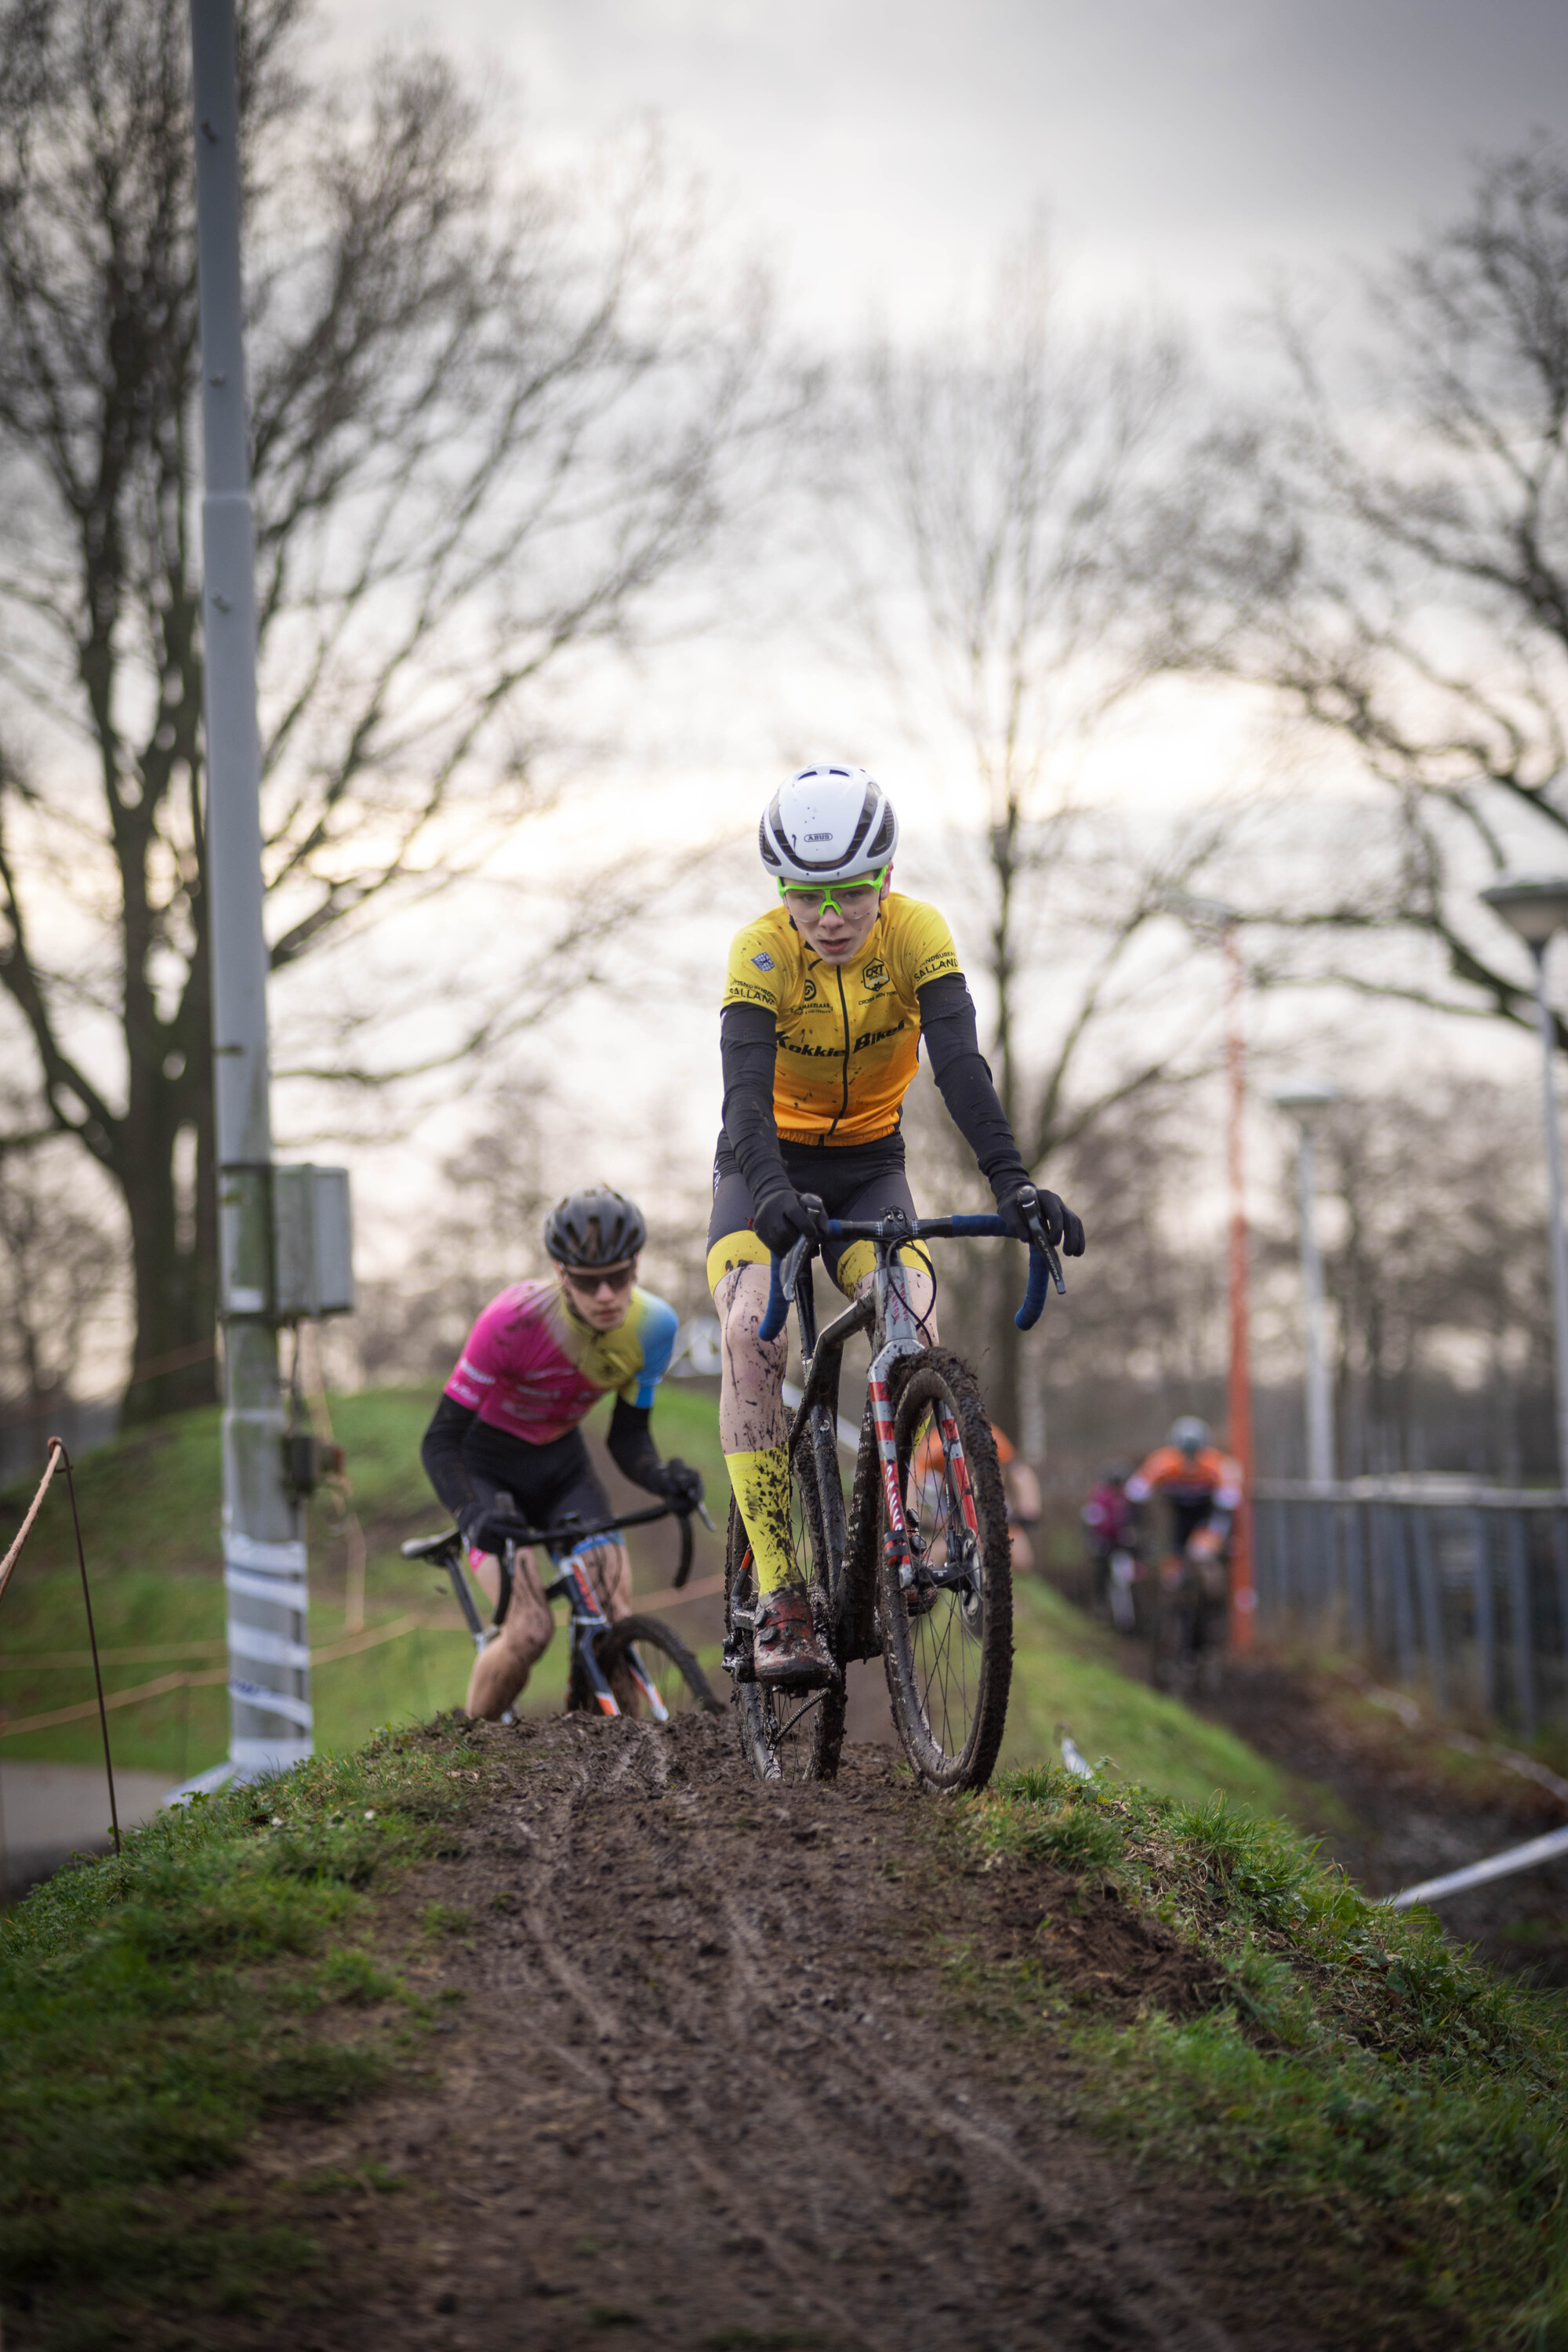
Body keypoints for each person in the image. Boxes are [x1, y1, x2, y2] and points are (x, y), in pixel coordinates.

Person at [708, 763, 1086, 1685]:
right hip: (762, 1171)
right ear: (782, 892)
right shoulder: (758, 954)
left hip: (873, 1168)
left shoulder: (918, 935)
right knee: (749, 1339)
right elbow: (745, 1102)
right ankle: (782, 1593)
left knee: (913, 1316)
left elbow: (959, 1064)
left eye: (851, 892)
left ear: (883, 879)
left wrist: (1011, 1180)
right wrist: (767, 1191)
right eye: (807, 895)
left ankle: (912, 1537)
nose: (830, 915)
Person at [420, 1185, 703, 1720]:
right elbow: (440, 1439)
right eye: (587, 1281)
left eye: (618, 1277)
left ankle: (628, 1763)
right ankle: (471, 1749)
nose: (605, 1295)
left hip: (562, 1468)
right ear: (559, 1272)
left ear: (637, 1266)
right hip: (488, 1473)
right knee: (529, 1631)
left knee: (613, 1615)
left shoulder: (654, 1326)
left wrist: (662, 1478)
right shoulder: (511, 1321)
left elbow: (628, 1436)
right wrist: (470, 1511)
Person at [1126, 1417, 1242, 1653]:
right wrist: (1137, 1531)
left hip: (1206, 1524)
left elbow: (1228, 1507)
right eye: (1185, 1453)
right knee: (1171, 1576)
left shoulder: (1217, 1465)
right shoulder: (1163, 1462)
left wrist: (1222, 1539)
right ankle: (1168, 1627)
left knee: (1204, 1563)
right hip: (1177, 1525)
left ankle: (1211, 1619)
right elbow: (1135, 1493)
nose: (1190, 1461)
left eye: (1195, 1453)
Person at [1081, 1465, 1138, 1632]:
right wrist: (1094, 1540)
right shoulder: (1100, 1498)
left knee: (1122, 1581)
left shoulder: (1128, 1499)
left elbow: (1134, 1523)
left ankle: (1125, 1621)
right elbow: (1091, 1521)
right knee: (1102, 1578)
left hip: (1121, 1546)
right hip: (1104, 1545)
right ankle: (1102, 1614)